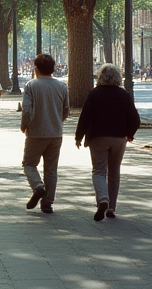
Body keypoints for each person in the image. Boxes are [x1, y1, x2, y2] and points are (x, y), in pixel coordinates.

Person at [74, 64, 141, 220]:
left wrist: (79, 136)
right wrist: (129, 134)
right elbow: (135, 119)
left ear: (100, 78)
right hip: (119, 138)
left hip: (98, 137)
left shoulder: (94, 94)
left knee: (99, 171)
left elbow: (85, 117)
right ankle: (111, 207)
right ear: (117, 78)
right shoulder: (124, 95)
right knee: (114, 172)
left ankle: (102, 198)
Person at [21, 53, 71, 213]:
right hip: (56, 132)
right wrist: (58, 121)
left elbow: (27, 109)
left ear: (36, 68)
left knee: (29, 163)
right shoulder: (62, 86)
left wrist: (25, 125)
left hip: (36, 131)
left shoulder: (31, 86)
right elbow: (66, 109)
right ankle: (48, 202)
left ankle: (37, 186)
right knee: (51, 169)